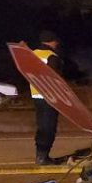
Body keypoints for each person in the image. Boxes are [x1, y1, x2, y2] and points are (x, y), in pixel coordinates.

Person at [31, 31, 63, 165]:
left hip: (36, 95)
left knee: (42, 126)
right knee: (49, 127)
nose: (57, 43)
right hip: (50, 97)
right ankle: (43, 157)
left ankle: (40, 154)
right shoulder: (52, 56)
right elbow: (54, 79)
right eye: (55, 41)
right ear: (51, 41)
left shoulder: (32, 54)